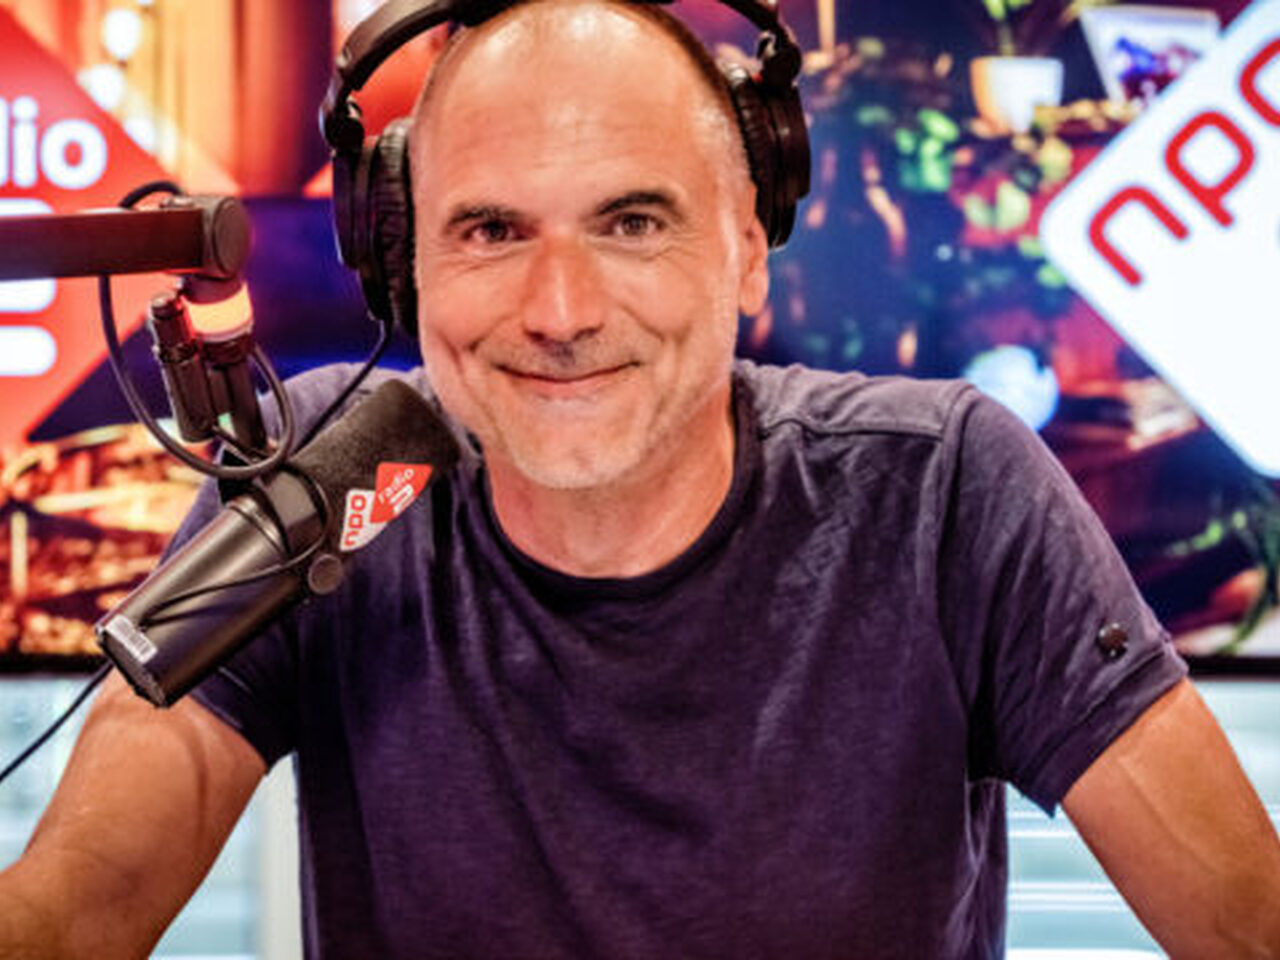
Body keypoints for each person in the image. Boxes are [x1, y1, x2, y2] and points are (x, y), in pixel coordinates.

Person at [4, 0, 1280, 956]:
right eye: (490, 229)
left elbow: (1243, 920)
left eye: (631, 223)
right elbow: (78, 909)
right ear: (402, 261)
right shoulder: (330, 475)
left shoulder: (945, 488)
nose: (558, 310)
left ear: (747, 250)